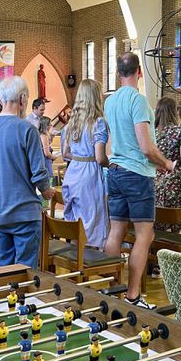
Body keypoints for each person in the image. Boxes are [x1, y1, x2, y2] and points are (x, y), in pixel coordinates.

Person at [104, 52, 176, 309]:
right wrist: (166, 163)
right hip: (136, 174)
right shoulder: (138, 101)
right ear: (140, 73)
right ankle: (133, 296)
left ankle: (113, 290)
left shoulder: (110, 102)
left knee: (116, 231)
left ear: (117, 73)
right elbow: (146, 147)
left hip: (115, 170)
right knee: (145, 234)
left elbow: (113, 142)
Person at [0, 76, 54, 268]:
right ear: (24, 99)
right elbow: (38, 172)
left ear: (0, 100)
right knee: (25, 271)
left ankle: (8, 298)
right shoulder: (26, 129)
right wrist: (47, 190)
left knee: (5, 269)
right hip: (24, 213)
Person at [61, 79, 110, 248]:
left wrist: (77, 157)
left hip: (72, 171)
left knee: (75, 219)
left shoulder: (71, 124)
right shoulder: (98, 123)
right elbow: (99, 157)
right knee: (92, 219)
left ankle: (76, 258)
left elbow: (65, 153)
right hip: (89, 173)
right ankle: (90, 261)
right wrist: (109, 164)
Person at [153, 96, 181, 232]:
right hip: (175, 182)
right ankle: (172, 252)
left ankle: (156, 251)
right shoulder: (179, 132)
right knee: (176, 223)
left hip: (155, 180)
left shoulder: (152, 133)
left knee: (157, 223)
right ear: (174, 112)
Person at [38, 116, 56, 180]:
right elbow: (47, 153)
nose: (51, 126)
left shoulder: (41, 134)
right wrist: (54, 157)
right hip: (46, 161)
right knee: (48, 179)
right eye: (50, 125)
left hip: (44, 161)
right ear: (46, 125)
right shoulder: (44, 135)